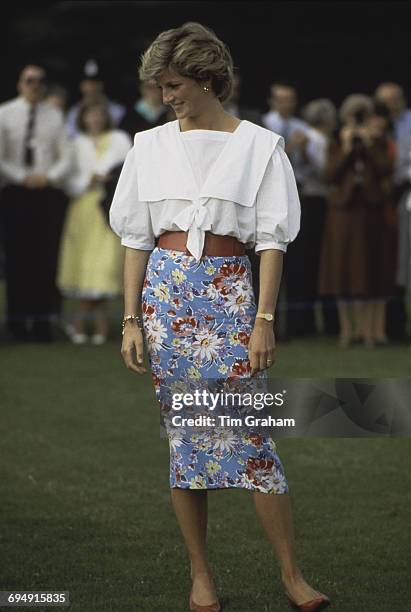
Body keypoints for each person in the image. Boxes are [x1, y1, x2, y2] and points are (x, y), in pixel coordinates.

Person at [109, 21, 329, 612]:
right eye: (160, 85)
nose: (166, 96)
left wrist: (265, 318)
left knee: (253, 437)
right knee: (185, 440)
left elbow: (272, 242)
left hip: (233, 298)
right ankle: (200, 576)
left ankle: (291, 575)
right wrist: (131, 321)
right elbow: (135, 238)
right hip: (167, 299)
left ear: (208, 79)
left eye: (174, 83)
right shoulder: (147, 146)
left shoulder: (261, 146)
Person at [0, 64, 71, 342]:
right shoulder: (5, 114)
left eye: (40, 80)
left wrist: (48, 176)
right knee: (17, 258)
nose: (35, 85)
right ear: (20, 83)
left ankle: (42, 323)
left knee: (45, 257)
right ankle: (17, 323)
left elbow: (66, 155)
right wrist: (21, 176)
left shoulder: (54, 116)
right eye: (29, 80)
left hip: (46, 193)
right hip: (14, 192)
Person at [318, 94, 394, 348]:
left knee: (371, 270)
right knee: (342, 271)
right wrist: (348, 148)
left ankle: (371, 331)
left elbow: (385, 169)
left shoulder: (378, 141)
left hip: (370, 211)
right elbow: (330, 175)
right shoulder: (337, 142)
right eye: (354, 116)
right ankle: (347, 331)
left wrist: (370, 144)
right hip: (343, 213)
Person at [57, 100, 131, 344]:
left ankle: (84, 324)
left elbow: (129, 169)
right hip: (83, 207)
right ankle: (92, 325)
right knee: (85, 262)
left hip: (109, 207)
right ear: (83, 118)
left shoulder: (120, 139)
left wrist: (108, 178)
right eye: (91, 114)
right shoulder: (75, 143)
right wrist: (85, 182)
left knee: (106, 264)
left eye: (100, 113)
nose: (96, 119)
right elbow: (67, 176)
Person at [374, 82, 411, 341]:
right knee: (388, 261)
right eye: (385, 101)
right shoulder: (377, 127)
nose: (391, 105)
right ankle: (391, 326)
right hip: (380, 200)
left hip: (405, 193)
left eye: (394, 99)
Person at [300, 98, 339, 337]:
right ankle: (315, 322)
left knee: (316, 262)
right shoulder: (315, 140)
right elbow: (323, 172)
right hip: (315, 202)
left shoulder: (313, 138)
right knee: (315, 261)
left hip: (319, 203)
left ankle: (317, 321)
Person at [66, 59, 126, 139]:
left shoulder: (118, 110)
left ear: (101, 85)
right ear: (82, 86)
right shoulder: (73, 112)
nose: (92, 87)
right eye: (88, 83)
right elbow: (71, 138)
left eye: (95, 83)